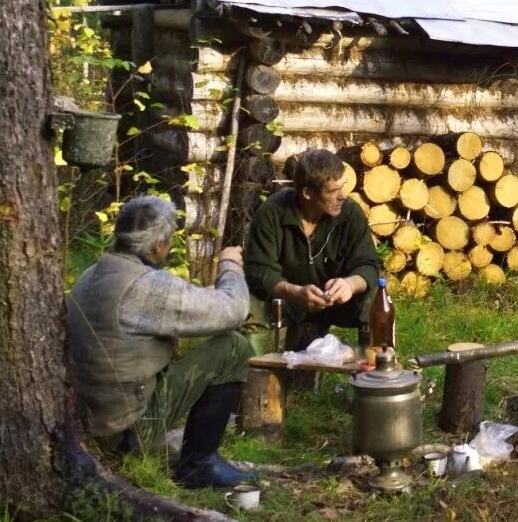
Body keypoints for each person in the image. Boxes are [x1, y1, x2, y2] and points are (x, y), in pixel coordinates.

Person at [66, 196, 255, 490]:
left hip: (87, 422)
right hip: (129, 432)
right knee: (233, 347)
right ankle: (200, 464)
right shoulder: (147, 286)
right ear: (158, 245)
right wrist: (230, 266)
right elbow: (234, 310)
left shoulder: (93, 274)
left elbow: (156, 305)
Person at [244, 149, 380, 356]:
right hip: (288, 299)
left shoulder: (350, 214)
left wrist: (350, 284)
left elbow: (368, 265)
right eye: (332, 191)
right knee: (249, 307)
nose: (342, 196)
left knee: (378, 298)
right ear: (307, 193)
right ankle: (250, 378)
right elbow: (258, 270)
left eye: (342, 187)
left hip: (336, 301)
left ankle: (375, 375)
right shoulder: (272, 212)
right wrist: (294, 292)